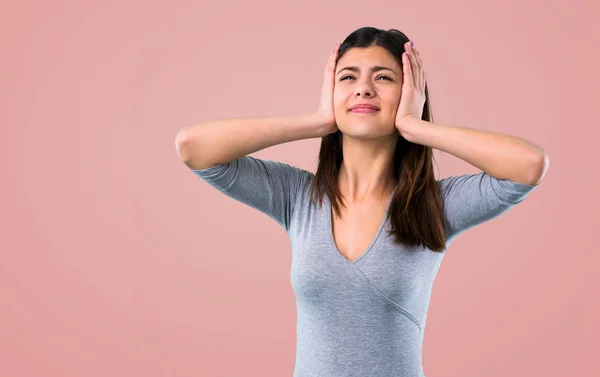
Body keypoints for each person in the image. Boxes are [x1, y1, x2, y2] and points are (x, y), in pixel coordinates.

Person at [175, 26, 548, 377]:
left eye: (383, 77)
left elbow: (528, 165)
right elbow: (194, 147)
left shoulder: (435, 203)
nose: (364, 89)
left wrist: (417, 128)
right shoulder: (297, 196)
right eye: (348, 77)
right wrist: (317, 121)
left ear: (411, 93)